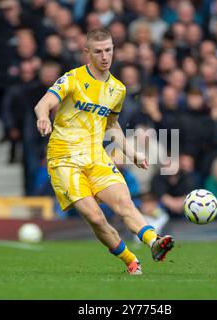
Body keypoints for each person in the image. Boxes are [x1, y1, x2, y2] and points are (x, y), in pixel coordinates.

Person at [34, 28, 174, 275]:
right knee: (97, 218)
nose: (105, 56)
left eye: (109, 50)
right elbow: (43, 103)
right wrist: (44, 117)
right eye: (98, 51)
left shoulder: (117, 89)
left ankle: (154, 242)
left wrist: (132, 154)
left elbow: (112, 125)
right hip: (64, 159)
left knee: (124, 202)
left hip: (96, 155)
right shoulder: (72, 78)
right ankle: (131, 260)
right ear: (87, 53)